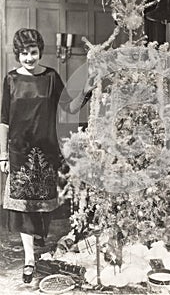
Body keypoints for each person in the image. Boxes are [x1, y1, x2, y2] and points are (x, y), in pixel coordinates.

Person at [0, 28, 96, 283]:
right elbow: (4, 121)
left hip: (46, 152)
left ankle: (38, 242)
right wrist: (2, 155)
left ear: (40, 52)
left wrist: (87, 91)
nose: (29, 58)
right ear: (17, 54)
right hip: (19, 152)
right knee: (22, 209)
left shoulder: (51, 77)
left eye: (33, 52)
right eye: (24, 53)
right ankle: (29, 259)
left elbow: (69, 107)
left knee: (42, 207)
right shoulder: (10, 79)